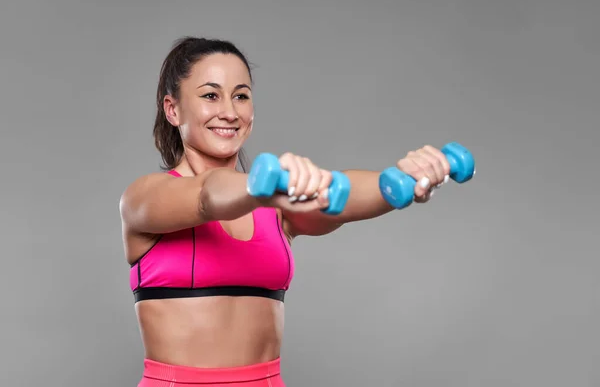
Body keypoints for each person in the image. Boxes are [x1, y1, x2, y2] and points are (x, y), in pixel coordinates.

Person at [119, 36, 451, 387]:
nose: (230, 112)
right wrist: (269, 186)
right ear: (173, 109)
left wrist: (403, 180)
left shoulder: (276, 210)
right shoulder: (144, 198)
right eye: (210, 95)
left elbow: (341, 196)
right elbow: (206, 196)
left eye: (241, 96)